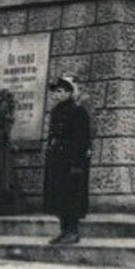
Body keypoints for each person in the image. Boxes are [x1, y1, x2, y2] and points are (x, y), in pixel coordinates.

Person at [42, 76, 92, 246]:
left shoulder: (78, 111)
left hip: (72, 162)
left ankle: (73, 231)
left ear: (70, 93)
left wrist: (77, 164)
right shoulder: (56, 111)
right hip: (58, 161)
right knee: (59, 197)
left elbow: (83, 140)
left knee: (72, 197)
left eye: (61, 91)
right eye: (55, 92)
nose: (56, 95)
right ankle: (64, 231)